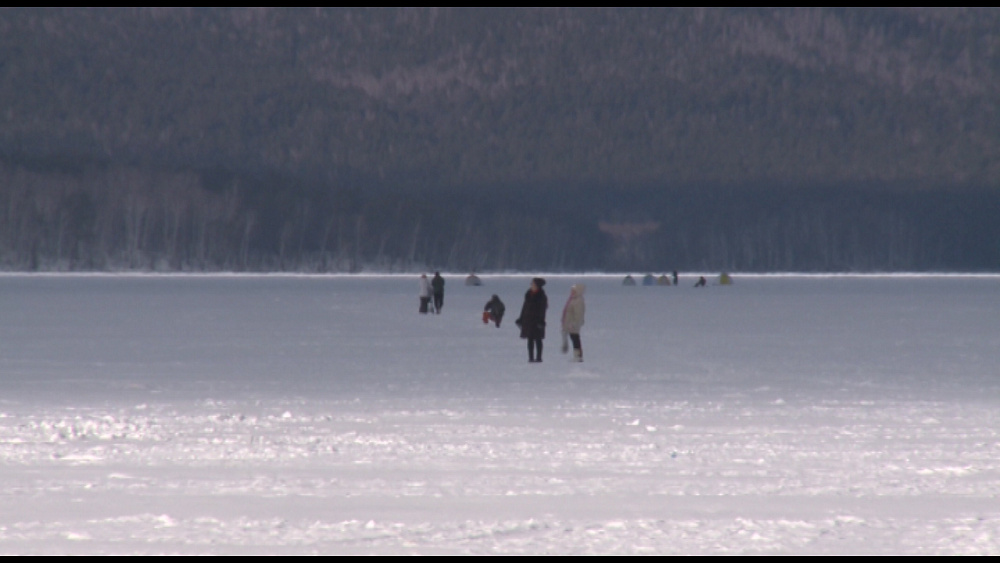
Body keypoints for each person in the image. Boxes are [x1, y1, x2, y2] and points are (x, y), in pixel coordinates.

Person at [515, 277, 548, 363]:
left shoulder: (542, 296)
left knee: (538, 339)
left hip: (537, 321)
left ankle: (539, 357)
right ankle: (531, 357)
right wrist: (521, 318)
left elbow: (543, 310)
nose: (531, 285)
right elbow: (524, 308)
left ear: (537, 286)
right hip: (528, 320)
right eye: (531, 284)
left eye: (533, 284)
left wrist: (541, 321)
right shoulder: (528, 294)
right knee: (529, 339)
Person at [561, 284, 585, 362]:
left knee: (575, 338)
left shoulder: (578, 301)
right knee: (573, 338)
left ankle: (578, 356)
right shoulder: (572, 299)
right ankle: (576, 355)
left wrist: (574, 323)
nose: (572, 292)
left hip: (573, 324)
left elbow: (578, 314)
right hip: (569, 323)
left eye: (573, 290)